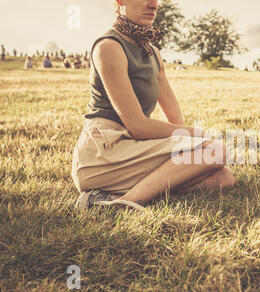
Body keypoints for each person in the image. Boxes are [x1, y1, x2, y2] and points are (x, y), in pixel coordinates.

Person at [71, 0, 235, 211]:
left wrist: (190, 144)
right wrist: (198, 134)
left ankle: (105, 199)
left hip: (132, 149)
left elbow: (175, 122)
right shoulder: (108, 47)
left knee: (223, 177)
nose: (153, 5)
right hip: (103, 153)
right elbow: (138, 126)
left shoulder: (153, 54)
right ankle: (126, 203)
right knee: (216, 150)